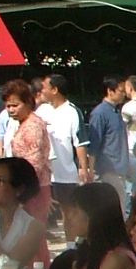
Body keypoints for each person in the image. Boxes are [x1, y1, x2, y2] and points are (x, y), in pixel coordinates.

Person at [65, 183, 136, 269]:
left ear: (92, 215)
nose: (69, 217)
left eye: (75, 211)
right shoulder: (83, 254)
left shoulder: (116, 259)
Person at [1, 79, 53, 227]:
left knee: (32, 234)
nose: (11, 110)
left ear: (29, 103)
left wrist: (22, 194)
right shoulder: (24, 123)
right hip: (26, 187)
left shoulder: (33, 126)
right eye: (8, 106)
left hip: (33, 190)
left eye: (15, 105)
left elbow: (34, 164)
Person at [36, 73, 90, 206]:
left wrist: (83, 168)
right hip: (44, 175)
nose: (41, 91)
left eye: (44, 87)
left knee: (69, 211)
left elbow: (80, 143)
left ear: (54, 90)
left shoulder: (72, 112)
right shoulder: (42, 110)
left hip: (66, 175)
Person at [88, 75, 131, 210]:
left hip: (120, 167)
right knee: (117, 207)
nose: (124, 94)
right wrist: (90, 168)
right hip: (109, 168)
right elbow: (95, 143)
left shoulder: (117, 111)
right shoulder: (100, 113)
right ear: (110, 91)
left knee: (121, 205)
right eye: (120, 91)